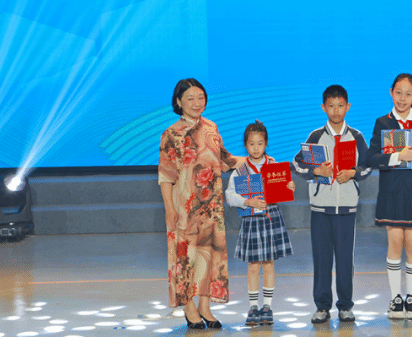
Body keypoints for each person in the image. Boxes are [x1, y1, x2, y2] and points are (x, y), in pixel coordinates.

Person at [158, 78, 240, 329]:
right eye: (190, 98)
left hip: (211, 208)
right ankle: (189, 307)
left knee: (210, 255)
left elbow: (225, 160)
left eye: (201, 97)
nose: (196, 103)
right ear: (178, 102)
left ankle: (205, 306)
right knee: (186, 256)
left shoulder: (212, 127)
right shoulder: (171, 134)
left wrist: (261, 159)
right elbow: (166, 175)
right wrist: (169, 209)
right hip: (184, 206)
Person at [292, 85, 372, 325]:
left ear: (348, 107)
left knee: (346, 260)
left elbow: (368, 165)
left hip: (347, 210)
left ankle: (345, 306)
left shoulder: (356, 136)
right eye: (331, 106)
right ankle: (322, 307)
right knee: (322, 260)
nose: (336, 111)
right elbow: (297, 164)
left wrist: (353, 173)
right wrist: (316, 171)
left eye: (340, 105)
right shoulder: (316, 136)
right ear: (323, 107)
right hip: (320, 210)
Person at [367, 73, 412, 320]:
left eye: (408, 94)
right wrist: (398, 157)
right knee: (395, 243)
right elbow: (371, 158)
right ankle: (395, 298)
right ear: (391, 92)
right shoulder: (382, 122)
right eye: (398, 92)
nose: (402, 98)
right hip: (391, 191)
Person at [225, 120, 295, 327]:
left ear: (266, 144)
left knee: (269, 263)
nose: (256, 148)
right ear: (245, 145)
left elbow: (284, 189)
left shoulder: (273, 166)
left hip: (271, 217)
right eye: (251, 144)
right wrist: (248, 202)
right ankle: (253, 307)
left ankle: (267, 307)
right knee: (253, 265)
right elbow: (230, 196)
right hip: (251, 221)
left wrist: (289, 186)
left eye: (260, 143)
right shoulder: (240, 170)